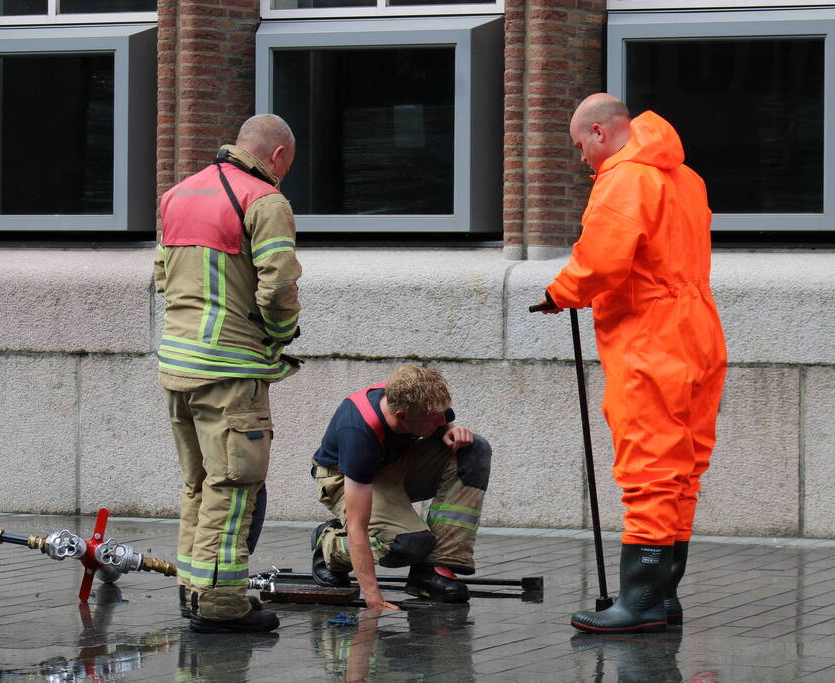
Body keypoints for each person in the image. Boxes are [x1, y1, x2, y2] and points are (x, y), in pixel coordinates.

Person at [536, 93, 727, 633]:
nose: (581, 161)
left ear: (600, 132)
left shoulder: (624, 180)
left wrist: (559, 292)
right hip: (700, 330)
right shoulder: (686, 179)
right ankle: (663, 596)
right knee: (683, 467)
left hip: (650, 335)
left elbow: (600, 263)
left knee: (648, 467)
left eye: (580, 147)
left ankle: (640, 601)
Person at [154, 113, 303, 633]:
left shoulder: (178, 196)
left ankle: (192, 590)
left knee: (198, 484)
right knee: (234, 485)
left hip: (176, 362)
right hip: (230, 370)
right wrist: (280, 334)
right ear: (278, 155)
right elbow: (279, 284)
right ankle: (220, 604)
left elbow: (161, 276)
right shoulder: (265, 201)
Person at [309, 365, 492, 610]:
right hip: (344, 479)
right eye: (435, 418)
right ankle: (329, 545)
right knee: (408, 545)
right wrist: (372, 595)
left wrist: (451, 430)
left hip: (393, 465)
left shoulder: (416, 397)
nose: (443, 420)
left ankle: (433, 571)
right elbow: (357, 526)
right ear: (402, 416)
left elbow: (441, 420)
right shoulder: (358, 432)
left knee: (473, 449)